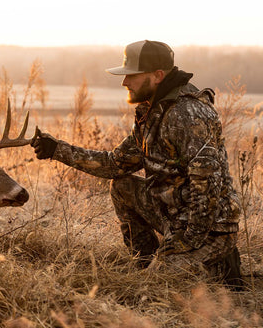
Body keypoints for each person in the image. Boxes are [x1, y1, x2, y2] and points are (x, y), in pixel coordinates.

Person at [31, 40, 243, 289]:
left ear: (158, 76)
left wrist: (188, 241)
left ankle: (219, 262)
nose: (124, 82)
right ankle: (145, 262)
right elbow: (114, 164)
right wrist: (57, 149)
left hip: (208, 228)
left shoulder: (188, 114)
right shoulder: (152, 112)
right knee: (122, 186)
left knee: (156, 285)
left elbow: (207, 186)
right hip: (174, 216)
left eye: (132, 75)